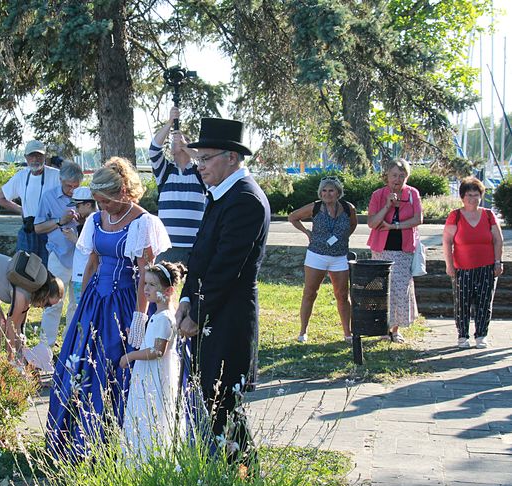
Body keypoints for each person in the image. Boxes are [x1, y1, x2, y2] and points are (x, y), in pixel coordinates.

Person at [46, 157, 171, 460]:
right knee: (79, 362)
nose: (102, 206)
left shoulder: (143, 223)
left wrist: (139, 318)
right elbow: (92, 262)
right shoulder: (96, 219)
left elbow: (144, 275)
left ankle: (112, 442)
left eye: (106, 201)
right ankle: (72, 439)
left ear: (124, 191)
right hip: (94, 301)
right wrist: (81, 300)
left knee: (114, 364)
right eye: (98, 201)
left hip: (126, 302)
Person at [175, 118, 270, 457]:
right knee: (212, 409)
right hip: (209, 310)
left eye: (206, 158)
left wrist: (198, 313)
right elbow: (200, 254)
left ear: (231, 157)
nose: (199, 166)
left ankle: (242, 479)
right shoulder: (223, 194)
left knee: (223, 408)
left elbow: (226, 268)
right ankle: (227, 477)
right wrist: (186, 298)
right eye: (198, 159)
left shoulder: (245, 199)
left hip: (227, 317)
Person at [119, 261, 186, 461]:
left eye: (152, 285)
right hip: (147, 372)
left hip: (154, 375)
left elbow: (157, 351)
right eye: (145, 283)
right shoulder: (157, 315)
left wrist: (130, 356)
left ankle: (149, 457)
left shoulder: (165, 317)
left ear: (168, 290)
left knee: (150, 412)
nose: (146, 289)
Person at [288, 177, 357, 343]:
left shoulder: (348, 208)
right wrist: (307, 233)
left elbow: (353, 224)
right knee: (310, 292)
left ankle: (347, 333)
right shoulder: (316, 207)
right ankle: (303, 331)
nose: (327, 194)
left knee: (342, 295)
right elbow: (293, 217)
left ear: (338, 193)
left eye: (331, 190)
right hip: (317, 255)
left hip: (339, 256)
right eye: (324, 191)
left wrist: (343, 237)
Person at [442, 176, 504, 349]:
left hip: (487, 266)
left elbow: (498, 240)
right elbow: (447, 241)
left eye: (476, 194)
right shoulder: (455, 216)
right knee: (462, 302)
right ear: (462, 196)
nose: (473, 198)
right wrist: (449, 265)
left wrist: (498, 262)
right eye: (469, 195)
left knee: (484, 302)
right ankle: (463, 336)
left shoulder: (488, 215)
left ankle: (481, 335)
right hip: (462, 267)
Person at [367, 158, 423, 343]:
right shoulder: (378, 195)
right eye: (394, 175)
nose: (397, 180)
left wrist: (394, 226)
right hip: (381, 249)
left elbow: (418, 219)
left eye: (401, 176)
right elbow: (372, 223)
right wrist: (387, 206)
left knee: (400, 290)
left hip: (403, 250)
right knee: (382, 289)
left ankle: (396, 329)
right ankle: (383, 328)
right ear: (387, 176)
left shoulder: (412, 194)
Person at [34, 160, 85, 347]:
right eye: (68, 186)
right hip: (58, 256)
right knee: (53, 302)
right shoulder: (48, 197)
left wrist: (82, 218)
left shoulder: (84, 195)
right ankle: (45, 346)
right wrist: (60, 221)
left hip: (81, 258)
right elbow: (38, 227)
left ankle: (71, 345)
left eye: (75, 186)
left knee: (76, 304)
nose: (72, 190)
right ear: (60, 180)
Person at [149, 106, 207, 264]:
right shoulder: (165, 171)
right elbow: (153, 150)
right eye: (175, 140)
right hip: (167, 247)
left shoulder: (200, 172)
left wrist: (185, 146)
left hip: (194, 247)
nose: (178, 141)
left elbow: (206, 161)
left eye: (183, 139)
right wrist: (170, 123)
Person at [0, 140, 61, 264]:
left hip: (50, 230)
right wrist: (22, 210)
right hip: (29, 229)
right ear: (25, 157)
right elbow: (0, 198)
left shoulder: (57, 176)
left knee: (49, 270)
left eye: (39, 155)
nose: (35, 159)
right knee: (23, 269)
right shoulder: (20, 176)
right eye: (32, 155)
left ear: (45, 156)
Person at [67, 187, 98, 306]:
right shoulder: (92, 219)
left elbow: (89, 248)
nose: (76, 209)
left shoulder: (93, 219)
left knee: (83, 307)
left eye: (78, 206)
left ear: (88, 204)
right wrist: (81, 225)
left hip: (84, 274)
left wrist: (73, 238)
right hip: (82, 273)